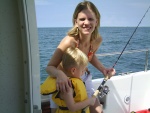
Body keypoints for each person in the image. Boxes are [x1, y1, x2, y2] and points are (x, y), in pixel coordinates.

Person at [46, 1, 115, 113]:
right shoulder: (69, 41)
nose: (86, 23)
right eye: (82, 19)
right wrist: (60, 75)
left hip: (82, 77)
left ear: (96, 21)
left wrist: (103, 69)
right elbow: (49, 67)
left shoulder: (97, 40)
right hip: (63, 82)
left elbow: (90, 56)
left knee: (98, 111)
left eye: (90, 19)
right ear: (76, 22)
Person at [41, 47, 96, 113]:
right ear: (73, 70)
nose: (83, 72)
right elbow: (72, 108)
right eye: (82, 70)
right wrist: (89, 101)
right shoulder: (68, 86)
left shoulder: (73, 82)